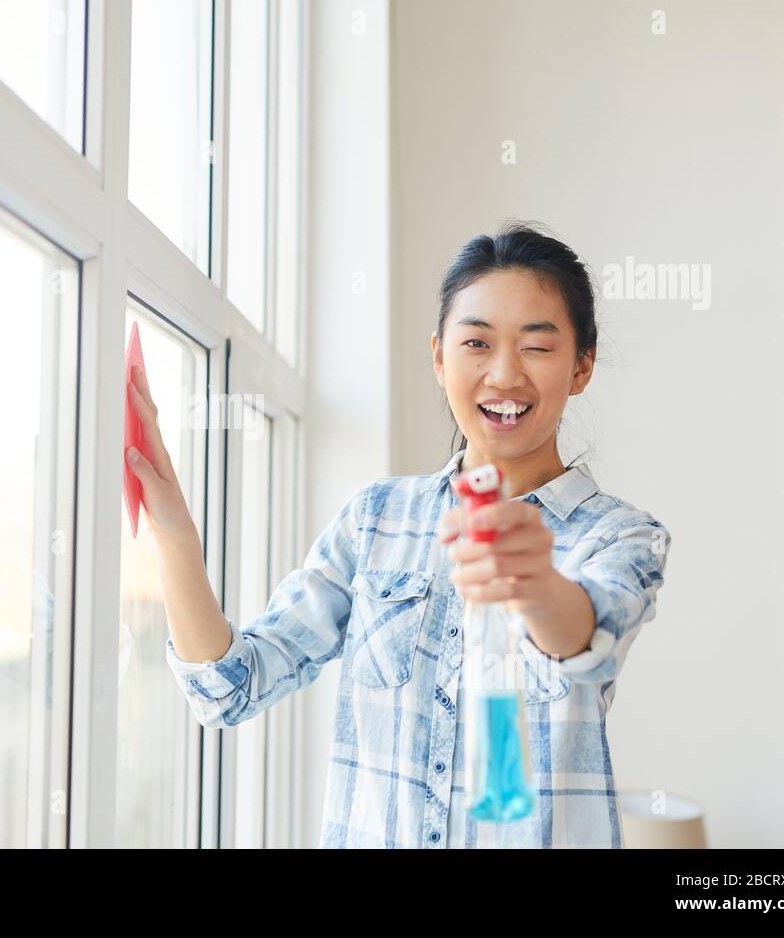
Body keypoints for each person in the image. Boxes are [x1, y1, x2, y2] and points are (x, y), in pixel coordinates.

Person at [124, 221, 671, 848]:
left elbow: (587, 638)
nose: (503, 375)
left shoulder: (622, 537)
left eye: (537, 348)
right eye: (477, 344)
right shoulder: (376, 518)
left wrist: (535, 582)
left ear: (581, 367)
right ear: (439, 358)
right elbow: (230, 689)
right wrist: (173, 533)